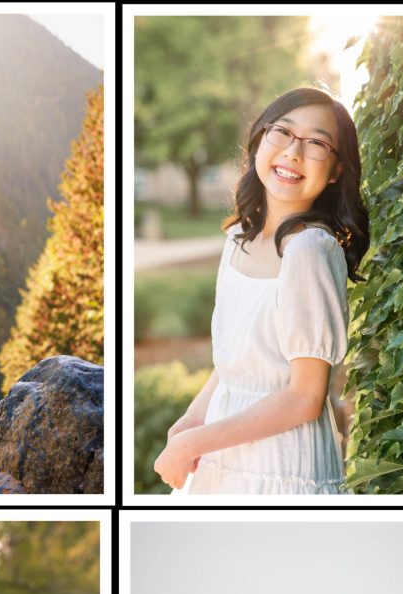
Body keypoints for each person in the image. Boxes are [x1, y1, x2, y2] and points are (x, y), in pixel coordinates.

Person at [153, 87, 370, 495]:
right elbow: (237, 361)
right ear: (260, 139)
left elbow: (305, 396)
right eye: (283, 133)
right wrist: (192, 420)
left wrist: (196, 443)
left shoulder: (309, 249)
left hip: (281, 466)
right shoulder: (239, 236)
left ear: (337, 169)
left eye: (317, 143)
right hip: (225, 449)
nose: (293, 152)